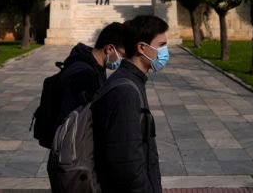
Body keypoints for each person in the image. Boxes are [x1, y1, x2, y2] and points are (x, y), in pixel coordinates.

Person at [92, 15, 169, 193]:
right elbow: (127, 164)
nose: (165, 52)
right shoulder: (125, 92)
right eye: (161, 45)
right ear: (142, 48)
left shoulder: (132, 81)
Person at [47, 22, 126, 191]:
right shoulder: (84, 74)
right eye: (122, 55)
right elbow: (74, 123)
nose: (123, 60)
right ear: (109, 49)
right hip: (75, 161)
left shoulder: (94, 66)